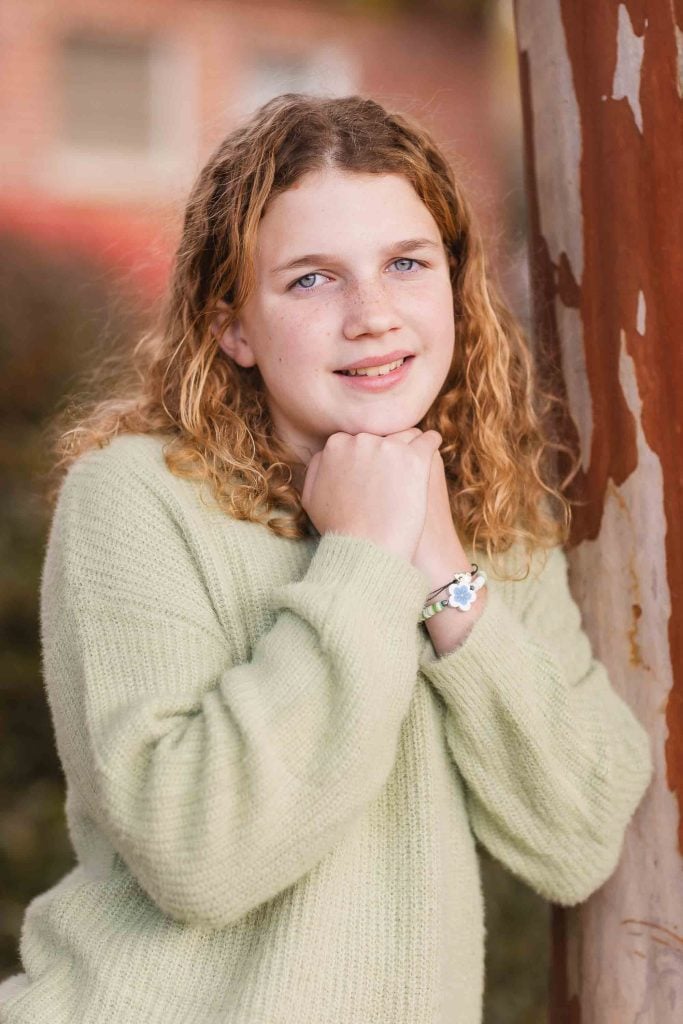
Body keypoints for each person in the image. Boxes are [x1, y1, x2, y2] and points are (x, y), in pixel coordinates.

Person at [0, 93, 652, 1024]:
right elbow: (197, 853)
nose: (374, 316)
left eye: (406, 264)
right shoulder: (137, 496)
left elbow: (581, 830)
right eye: (312, 280)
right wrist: (361, 558)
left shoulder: (485, 517)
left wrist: (443, 577)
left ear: (453, 287)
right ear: (232, 324)